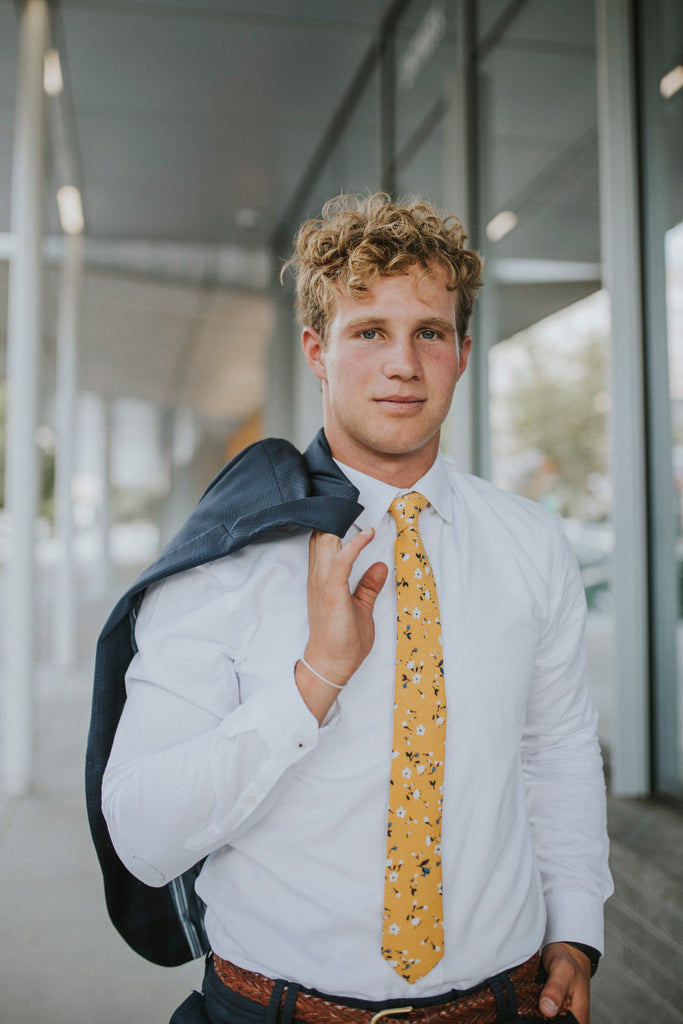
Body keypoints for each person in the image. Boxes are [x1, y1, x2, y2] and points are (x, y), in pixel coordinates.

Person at [98, 193, 612, 1024]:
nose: (402, 363)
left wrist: (574, 929)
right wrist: (314, 679)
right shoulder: (226, 560)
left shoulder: (530, 542)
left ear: (462, 354)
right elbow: (143, 836)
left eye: (429, 333)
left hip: (506, 1005)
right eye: (368, 331)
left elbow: (553, 749)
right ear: (317, 352)